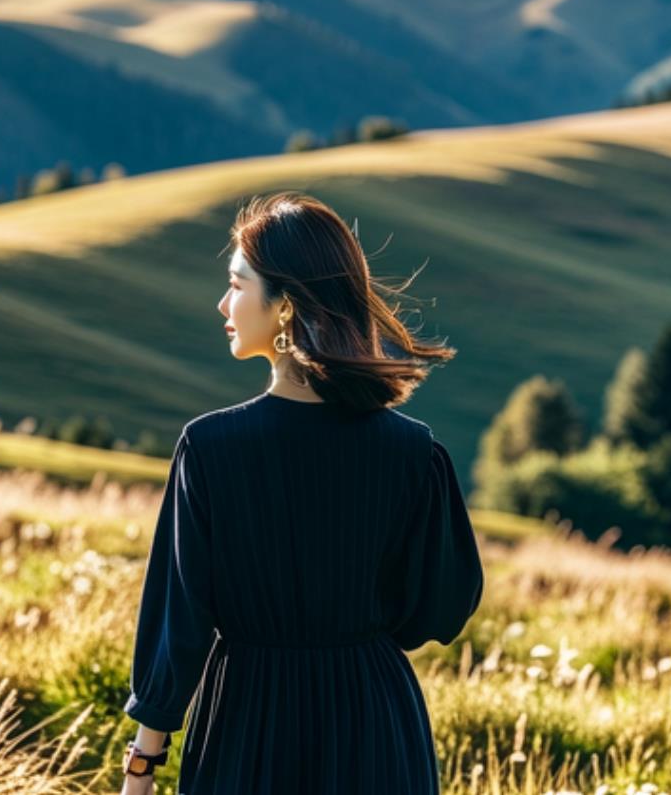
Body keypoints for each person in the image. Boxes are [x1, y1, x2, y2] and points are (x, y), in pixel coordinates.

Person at [120, 191, 485, 794]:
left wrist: (142, 766)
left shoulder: (211, 449)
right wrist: (351, 635)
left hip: (247, 725)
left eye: (237, 284)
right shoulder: (415, 454)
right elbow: (444, 605)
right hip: (377, 725)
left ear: (284, 307)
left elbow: (177, 622)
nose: (223, 302)